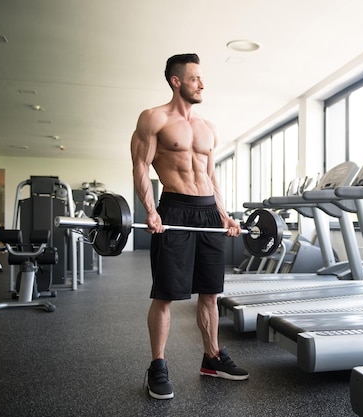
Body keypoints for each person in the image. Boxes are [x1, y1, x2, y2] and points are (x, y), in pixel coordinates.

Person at [131, 53, 249, 401]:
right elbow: (140, 165)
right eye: (195, 78)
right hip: (175, 209)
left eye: (203, 78)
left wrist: (224, 214)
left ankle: (212, 357)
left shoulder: (208, 127)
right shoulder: (154, 118)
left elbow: (210, 175)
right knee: (166, 293)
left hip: (207, 212)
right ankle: (158, 366)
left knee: (210, 292)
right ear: (176, 81)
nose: (202, 83)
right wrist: (151, 210)